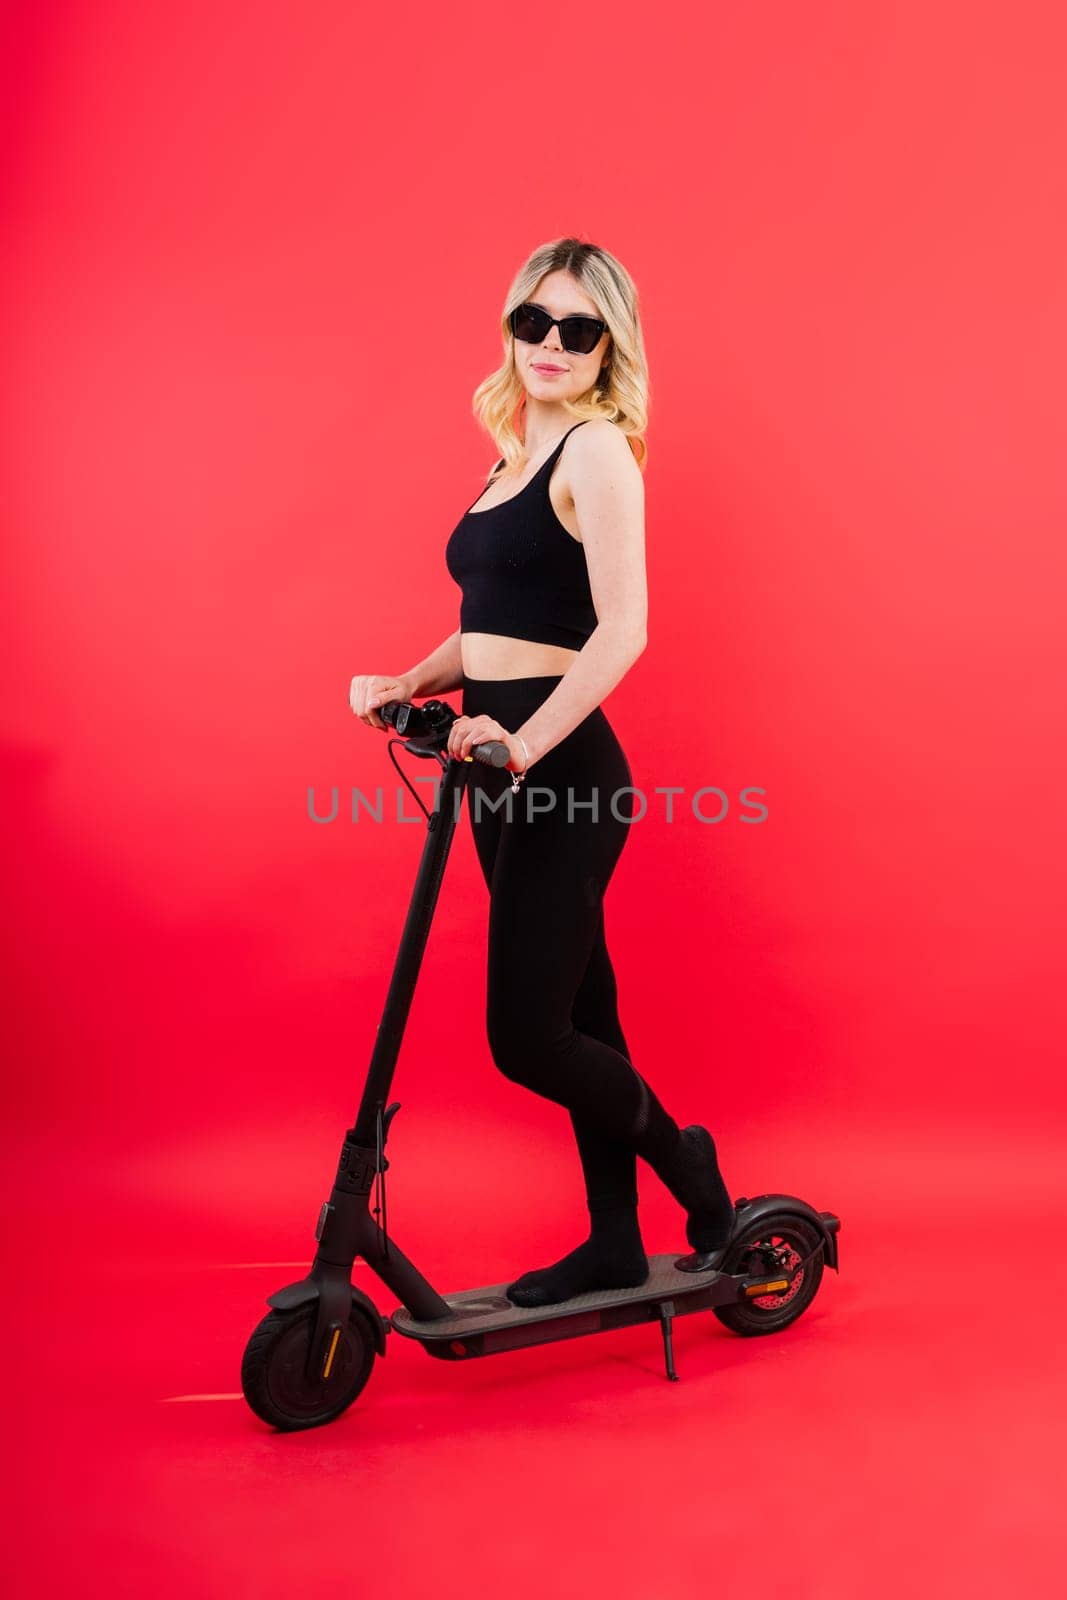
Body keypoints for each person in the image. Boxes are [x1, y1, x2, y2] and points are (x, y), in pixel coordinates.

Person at [350, 236, 735, 1307]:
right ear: (511, 326)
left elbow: (622, 632)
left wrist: (523, 742)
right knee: (583, 1016)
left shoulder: (598, 454)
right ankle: (616, 1240)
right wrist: (404, 675)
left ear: (609, 345)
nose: (551, 345)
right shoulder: (514, 451)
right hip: (494, 770)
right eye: (534, 322)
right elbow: (489, 635)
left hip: (562, 777)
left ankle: (688, 1161)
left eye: (578, 328)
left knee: (528, 1035)